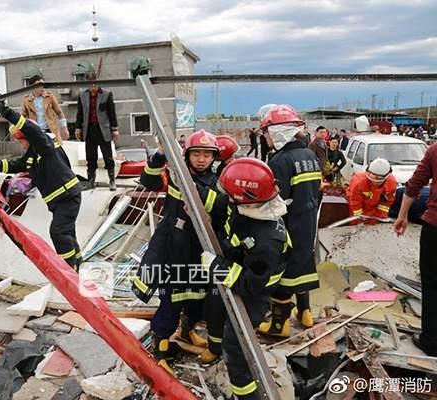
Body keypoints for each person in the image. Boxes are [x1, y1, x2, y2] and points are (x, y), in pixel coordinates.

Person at [131, 130, 221, 375]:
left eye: (207, 155)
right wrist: (160, 156)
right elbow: (148, 181)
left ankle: (187, 331)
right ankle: (160, 351)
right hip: (172, 248)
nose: (202, 159)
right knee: (171, 300)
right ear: (187, 155)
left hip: (198, 250)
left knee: (197, 297)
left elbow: (215, 207)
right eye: (197, 154)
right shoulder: (174, 174)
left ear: (214, 157)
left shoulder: (215, 182)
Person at [197, 158, 291, 371]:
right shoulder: (247, 207)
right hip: (234, 269)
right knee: (214, 310)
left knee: (237, 348)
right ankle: (215, 349)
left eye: (230, 195)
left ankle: (245, 391)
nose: (226, 199)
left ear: (244, 199)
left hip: (252, 298)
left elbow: (252, 285)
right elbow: (219, 202)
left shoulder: (267, 241)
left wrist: (217, 267)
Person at [0, 102, 83, 271]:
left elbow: (31, 129)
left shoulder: (44, 146)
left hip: (67, 196)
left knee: (58, 232)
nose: (20, 145)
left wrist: (7, 112)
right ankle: (78, 263)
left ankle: (69, 268)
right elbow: (13, 166)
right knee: (68, 233)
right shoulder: (31, 155)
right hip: (59, 200)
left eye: (20, 141)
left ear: (27, 137)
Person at [257, 104, 322, 337]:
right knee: (304, 265)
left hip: (289, 225)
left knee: (283, 274)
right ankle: (305, 313)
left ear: (277, 132)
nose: (264, 137)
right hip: (308, 222)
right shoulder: (309, 155)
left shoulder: (280, 161)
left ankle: (278, 326)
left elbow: (276, 201)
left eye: (266, 132)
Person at [394, 142, 437, 356]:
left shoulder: (435, 150)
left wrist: (402, 216)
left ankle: (431, 341)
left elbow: (414, 185)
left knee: (431, 284)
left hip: (435, 227)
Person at [75, 71, 119, 191]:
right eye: (90, 85)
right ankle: (90, 181)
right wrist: (78, 128)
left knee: (108, 157)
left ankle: (112, 181)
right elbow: (80, 113)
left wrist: (114, 129)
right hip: (89, 130)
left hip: (103, 130)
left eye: (94, 85)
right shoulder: (82, 95)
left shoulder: (106, 94)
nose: (93, 88)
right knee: (91, 157)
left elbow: (112, 113)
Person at [20, 75, 70, 146]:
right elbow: (22, 116)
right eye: (39, 85)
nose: (42, 87)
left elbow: (59, 113)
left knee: (55, 153)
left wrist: (64, 128)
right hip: (36, 132)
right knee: (38, 154)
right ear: (33, 87)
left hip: (51, 131)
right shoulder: (26, 100)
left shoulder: (49, 96)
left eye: (43, 84)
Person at [347, 158, 397, 224]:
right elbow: (355, 203)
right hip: (356, 207)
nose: (374, 182)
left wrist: (380, 218)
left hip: (374, 207)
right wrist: (359, 219)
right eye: (372, 178)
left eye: (378, 180)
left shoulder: (391, 183)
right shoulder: (358, 182)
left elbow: (386, 203)